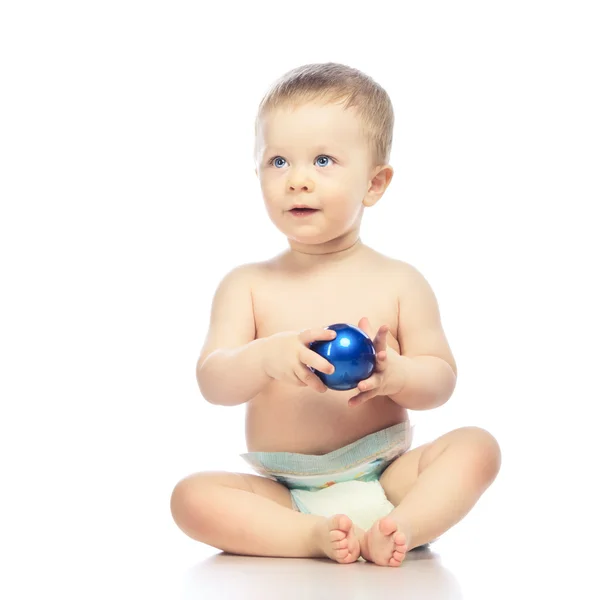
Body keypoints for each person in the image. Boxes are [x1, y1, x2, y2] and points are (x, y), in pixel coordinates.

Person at [170, 62, 501, 567]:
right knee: (190, 499)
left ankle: (403, 526)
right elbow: (213, 382)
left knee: (478, 447)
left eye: (323, 160)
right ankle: (310, 537)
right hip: (287, 493)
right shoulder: (247, 286)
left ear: (374, 184)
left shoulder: (401, 282)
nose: (297, 181)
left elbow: (441, 381)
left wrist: (400, 374)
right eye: (278, 161)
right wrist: (264, 358)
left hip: (388, 477)